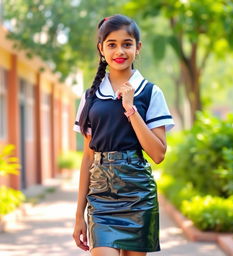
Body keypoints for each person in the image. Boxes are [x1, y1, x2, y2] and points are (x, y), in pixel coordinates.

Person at [72, 14, 175, 256]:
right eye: (112, 44)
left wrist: (131, 109)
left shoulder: (151, 92)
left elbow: (158, 153)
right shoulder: (90, 96)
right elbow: (88, 157)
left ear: (137, 48)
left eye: (127, 44)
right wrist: (79, 216)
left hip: (138, 194)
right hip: (100, 198)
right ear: (101, 49)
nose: (120, 51)